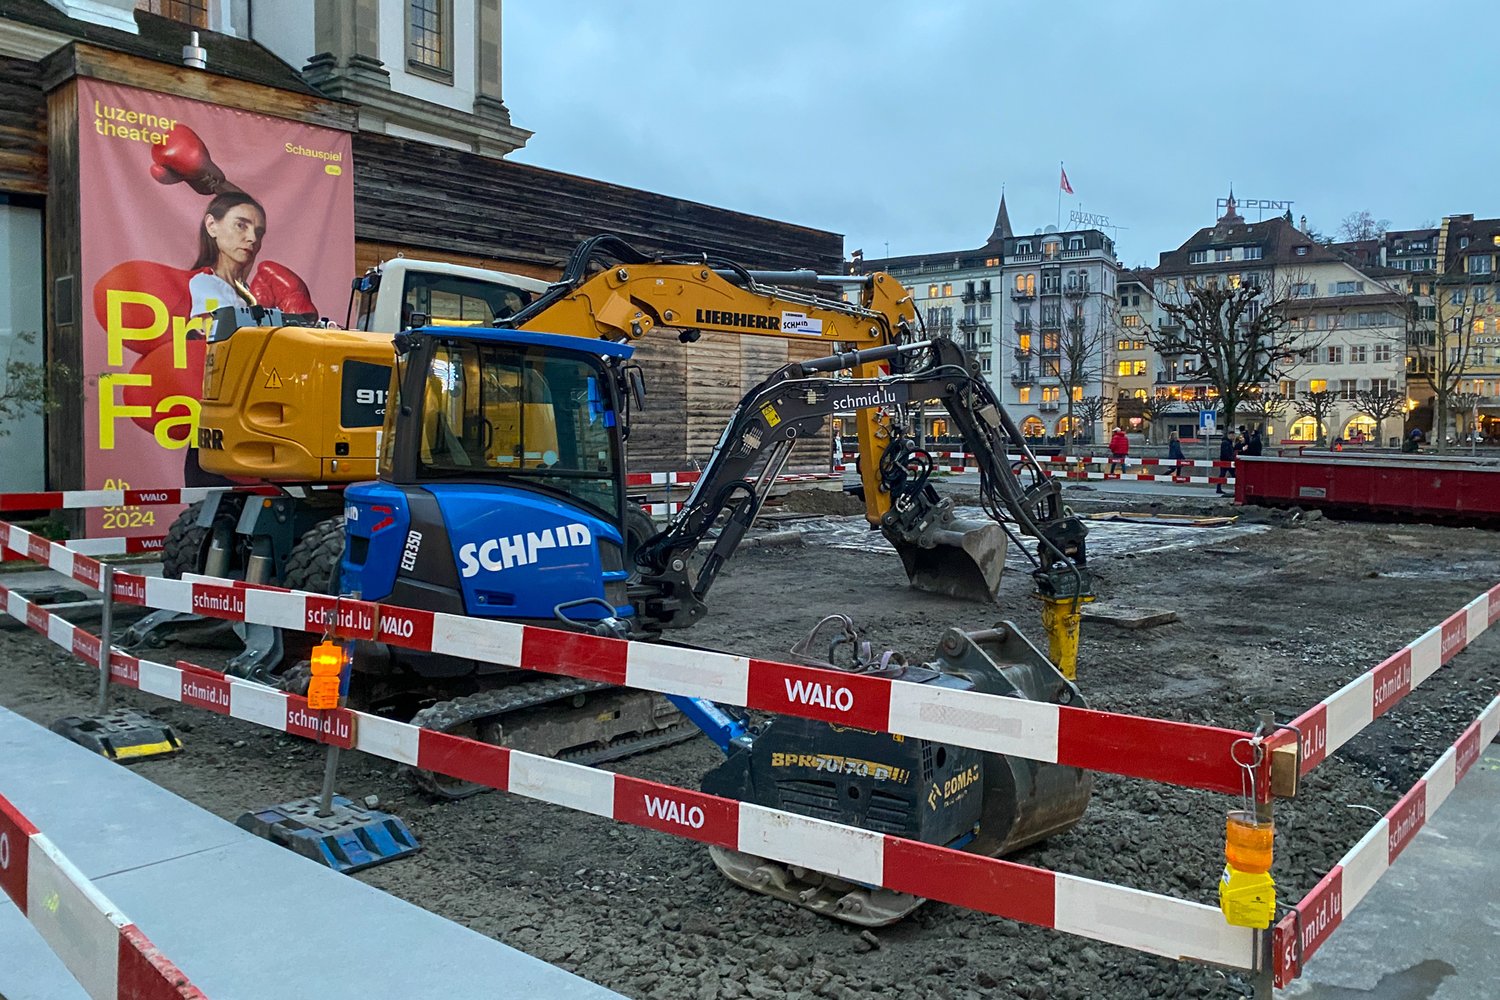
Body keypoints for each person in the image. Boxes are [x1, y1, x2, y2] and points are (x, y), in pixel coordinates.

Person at [1216, 430, 1237, 496]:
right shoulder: (1226, 443)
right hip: (1226, 462)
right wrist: (1231, 459)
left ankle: (1218, 488)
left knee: (1223, 475)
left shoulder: (1228, 442)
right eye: (1232, 435)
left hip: (1227, 461)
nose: (1233, 437)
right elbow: (1226, 453)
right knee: (1233, 475)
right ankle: (1218, 488)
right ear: (1229, 435)